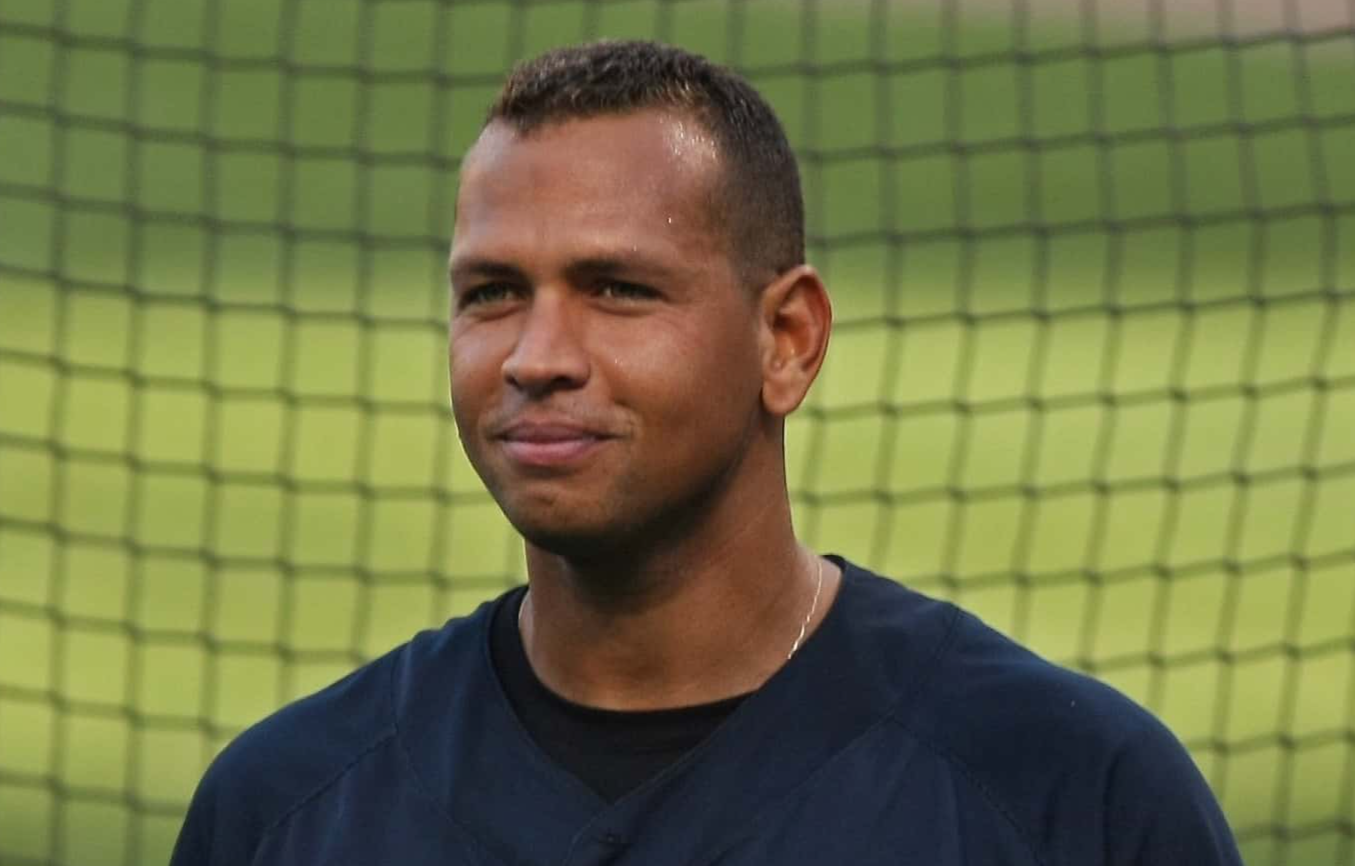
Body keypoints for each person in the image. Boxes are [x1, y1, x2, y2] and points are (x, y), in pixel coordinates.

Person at [170, 40, 1241, 865]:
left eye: (617, 289)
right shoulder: (288, 808)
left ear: (787, 341)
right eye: (490, 293)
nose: (536, 355)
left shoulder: (1067, 795)